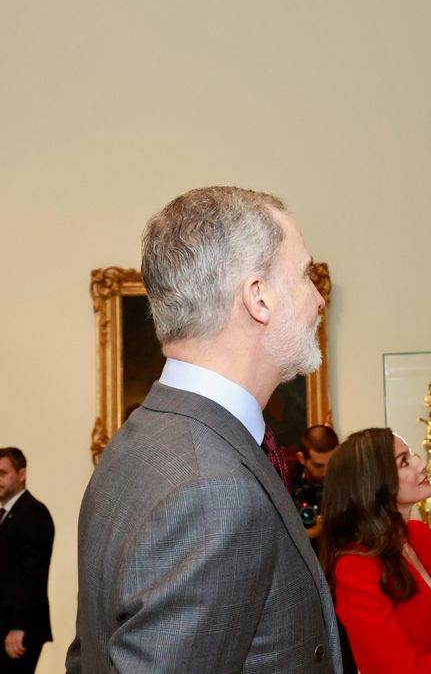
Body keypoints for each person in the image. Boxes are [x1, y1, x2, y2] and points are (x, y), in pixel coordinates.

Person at [66, 186, 343, 672]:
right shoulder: (214, 491)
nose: (319, 299)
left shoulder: (136, 442)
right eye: (304, 276)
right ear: (259, 297)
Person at [320, 428, 431, 673]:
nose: (421, 464)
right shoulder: (354, 568)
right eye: (404, 462)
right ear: (375, 484)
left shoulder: (420, 534)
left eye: (412, 456)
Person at [0, 448, 54, 674]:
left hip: (17, 631)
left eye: (3, 473)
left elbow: (32, 575)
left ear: (21, 474)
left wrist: (18, 626)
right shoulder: (6, 515)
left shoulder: (33, 513)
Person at [291, 424, 340, 546]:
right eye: (318, 466)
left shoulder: (349, 478)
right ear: (301, 458)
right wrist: (309, 533)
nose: (325, 473)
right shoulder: (285, 481)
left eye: (331, 464)